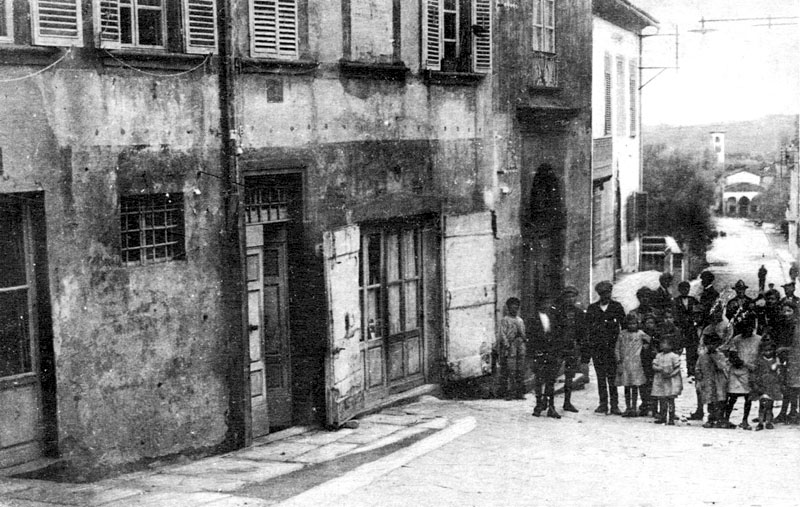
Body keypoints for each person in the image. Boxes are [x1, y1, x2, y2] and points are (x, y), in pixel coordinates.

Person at [586, 280, 626, 416]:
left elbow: (624, 327)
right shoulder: (592, 308)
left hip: (612, 349)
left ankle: (614, 405)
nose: (606, 296)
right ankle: (603, 404)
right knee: (600, 377)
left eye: (608, 293)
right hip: (597, 349)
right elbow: (588, 330)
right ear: (599, 294)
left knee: (612, 377)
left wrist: (622, 348)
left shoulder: (617, 307)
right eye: (603, 294)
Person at [719, 317, 761, 430]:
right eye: (744, 328)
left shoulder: (758, 340)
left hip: (750, 372)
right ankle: (726, 419)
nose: (746, 330)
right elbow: (732, 354)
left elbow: (760, 356)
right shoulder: (736, 339)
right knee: (732, 396)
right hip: (736, 371)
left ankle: (745, 420)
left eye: (749, 328)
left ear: (753, 328)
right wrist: (740, 362)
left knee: (748, 397)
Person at [530, 298, 564, 418]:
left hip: (551, 353)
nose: (547, 305)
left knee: (550, 381)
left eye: (548, 303)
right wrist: (532, 356)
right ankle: (538, 405)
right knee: (539, 381)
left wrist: (557, 352)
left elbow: (558, 335)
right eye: (545, 303)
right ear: (539, 304)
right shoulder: (533, 319)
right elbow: (531, 339)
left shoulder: (553, 317)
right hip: (539, 353)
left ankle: (551, 407)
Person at [553, 286, 586, 413]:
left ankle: (567, 402)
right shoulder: (557, 312)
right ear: (564, 298)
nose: (570, 299)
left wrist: (580, 346)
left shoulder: (578, 313)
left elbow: (582, 331)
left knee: (569, 376)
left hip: (572, 347)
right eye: (568, 296)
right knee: (553, 374)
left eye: (573, 296)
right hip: (559, 347)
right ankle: (548, 402)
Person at [615, 314, 648, 417]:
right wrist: (619, 361)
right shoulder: (622, 334)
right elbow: (617, 348)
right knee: (626, 386)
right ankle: (627, 407)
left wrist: (646, 346)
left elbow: (650, 340)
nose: (632, 326)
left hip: (636, 363)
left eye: (634, 323)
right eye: (630, 323)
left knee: (634, 386)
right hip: (625, 363)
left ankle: (634, 407)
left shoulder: (640, 334)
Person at [694, 330, 729, 428]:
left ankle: (720, 419)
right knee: (710, 401)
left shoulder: (720, 355)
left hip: (719, 381)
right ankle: (711, 418)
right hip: (708, 380)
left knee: (720, 400)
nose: (711, 346)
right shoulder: (702, 356)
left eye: (713, 344)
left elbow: (722, 366)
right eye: (709, 344)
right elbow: (698, 367)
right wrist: (699, 375)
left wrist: (715, 358)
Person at [497, 297, 527, 400]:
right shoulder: (505, 320)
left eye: (516, 308)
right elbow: (502, 334)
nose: (515, 310)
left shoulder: (520, 320)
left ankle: (520, 392)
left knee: (520, 369)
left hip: (520, 345)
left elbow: (523, 333)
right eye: (512, 308)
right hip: (511, 346)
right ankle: (510, 392)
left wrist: (523, 340)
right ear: (508, 308)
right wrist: (507, 345)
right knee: (511, 370)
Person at [750, 340, 782, 430]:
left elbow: (778, 372)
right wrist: (755, 384)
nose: (768, 352)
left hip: (772, 385)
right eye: (766, 350)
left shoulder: (776, 360)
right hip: (762, 384)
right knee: (762, 405)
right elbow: (755, 373)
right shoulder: (759, 361)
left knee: (770, 405)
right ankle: (760, 423)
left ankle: (769, 422)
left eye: (770, 350)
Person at [651, 337, 683, 425]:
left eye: (664, 343)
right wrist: (659, 369)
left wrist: (671, 374)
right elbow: (654, 365)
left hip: (670, 381)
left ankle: (671, 418)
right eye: (661, 344)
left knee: (670, 400)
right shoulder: (658, 355)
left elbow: (677, 368)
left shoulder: (674, 356)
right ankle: (663, 417)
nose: (662, 345)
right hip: (661, 380)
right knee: (662, 400)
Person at [673, 281, 699, 377]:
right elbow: (674, 314)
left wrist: (694, 321)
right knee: (677, 349)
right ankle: (675, 371)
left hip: (691, 329)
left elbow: (698, 313)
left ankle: (691, 371)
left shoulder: (693, 300)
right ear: (679, 290)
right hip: (680, 329)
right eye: (683, 289)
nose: (685, 290)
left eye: (687, 288)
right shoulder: (675, 301)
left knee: (691, 350)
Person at [640, 315, 660, 417]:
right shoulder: (641, 334)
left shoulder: (657, 334)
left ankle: (654, 406)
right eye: (647, 322)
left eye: (652, 322)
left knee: (654, 384)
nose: (649, 325)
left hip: (654, 360)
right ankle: (644, 404)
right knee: (644, 383)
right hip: (644, 360)